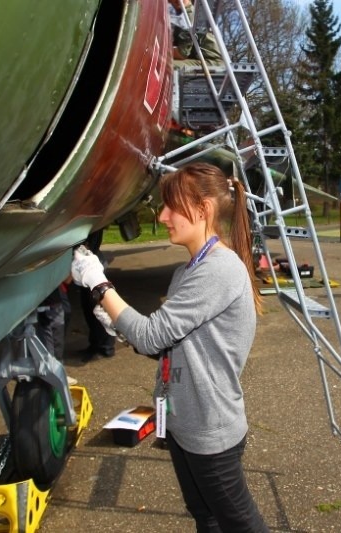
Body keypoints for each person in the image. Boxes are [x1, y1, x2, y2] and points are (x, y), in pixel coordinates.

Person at [72, 162, 269, 532]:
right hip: (184, 423)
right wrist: (113, 322)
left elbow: (150, 335)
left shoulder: (219, 269)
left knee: (239, 523)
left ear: (203, 209)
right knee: (204, 517)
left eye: (171, 206)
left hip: (210, 431)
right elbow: (160, 344)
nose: (162, 216)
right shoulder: (187, 272)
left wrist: (100, 284)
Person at [77, 228, 115, 362]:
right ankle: (95, 344)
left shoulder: (91, 224)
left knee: (98, 310)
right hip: (84, 268)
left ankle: (106, 346)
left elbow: (90, 245)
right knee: (88, 308)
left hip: (92, 269)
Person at [168, 0, 223, 68]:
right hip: (200, 59)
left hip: (211, 61)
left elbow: (182, 53)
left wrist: (159, 53)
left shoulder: (189, 14)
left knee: (166, 65)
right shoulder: (182, 15)